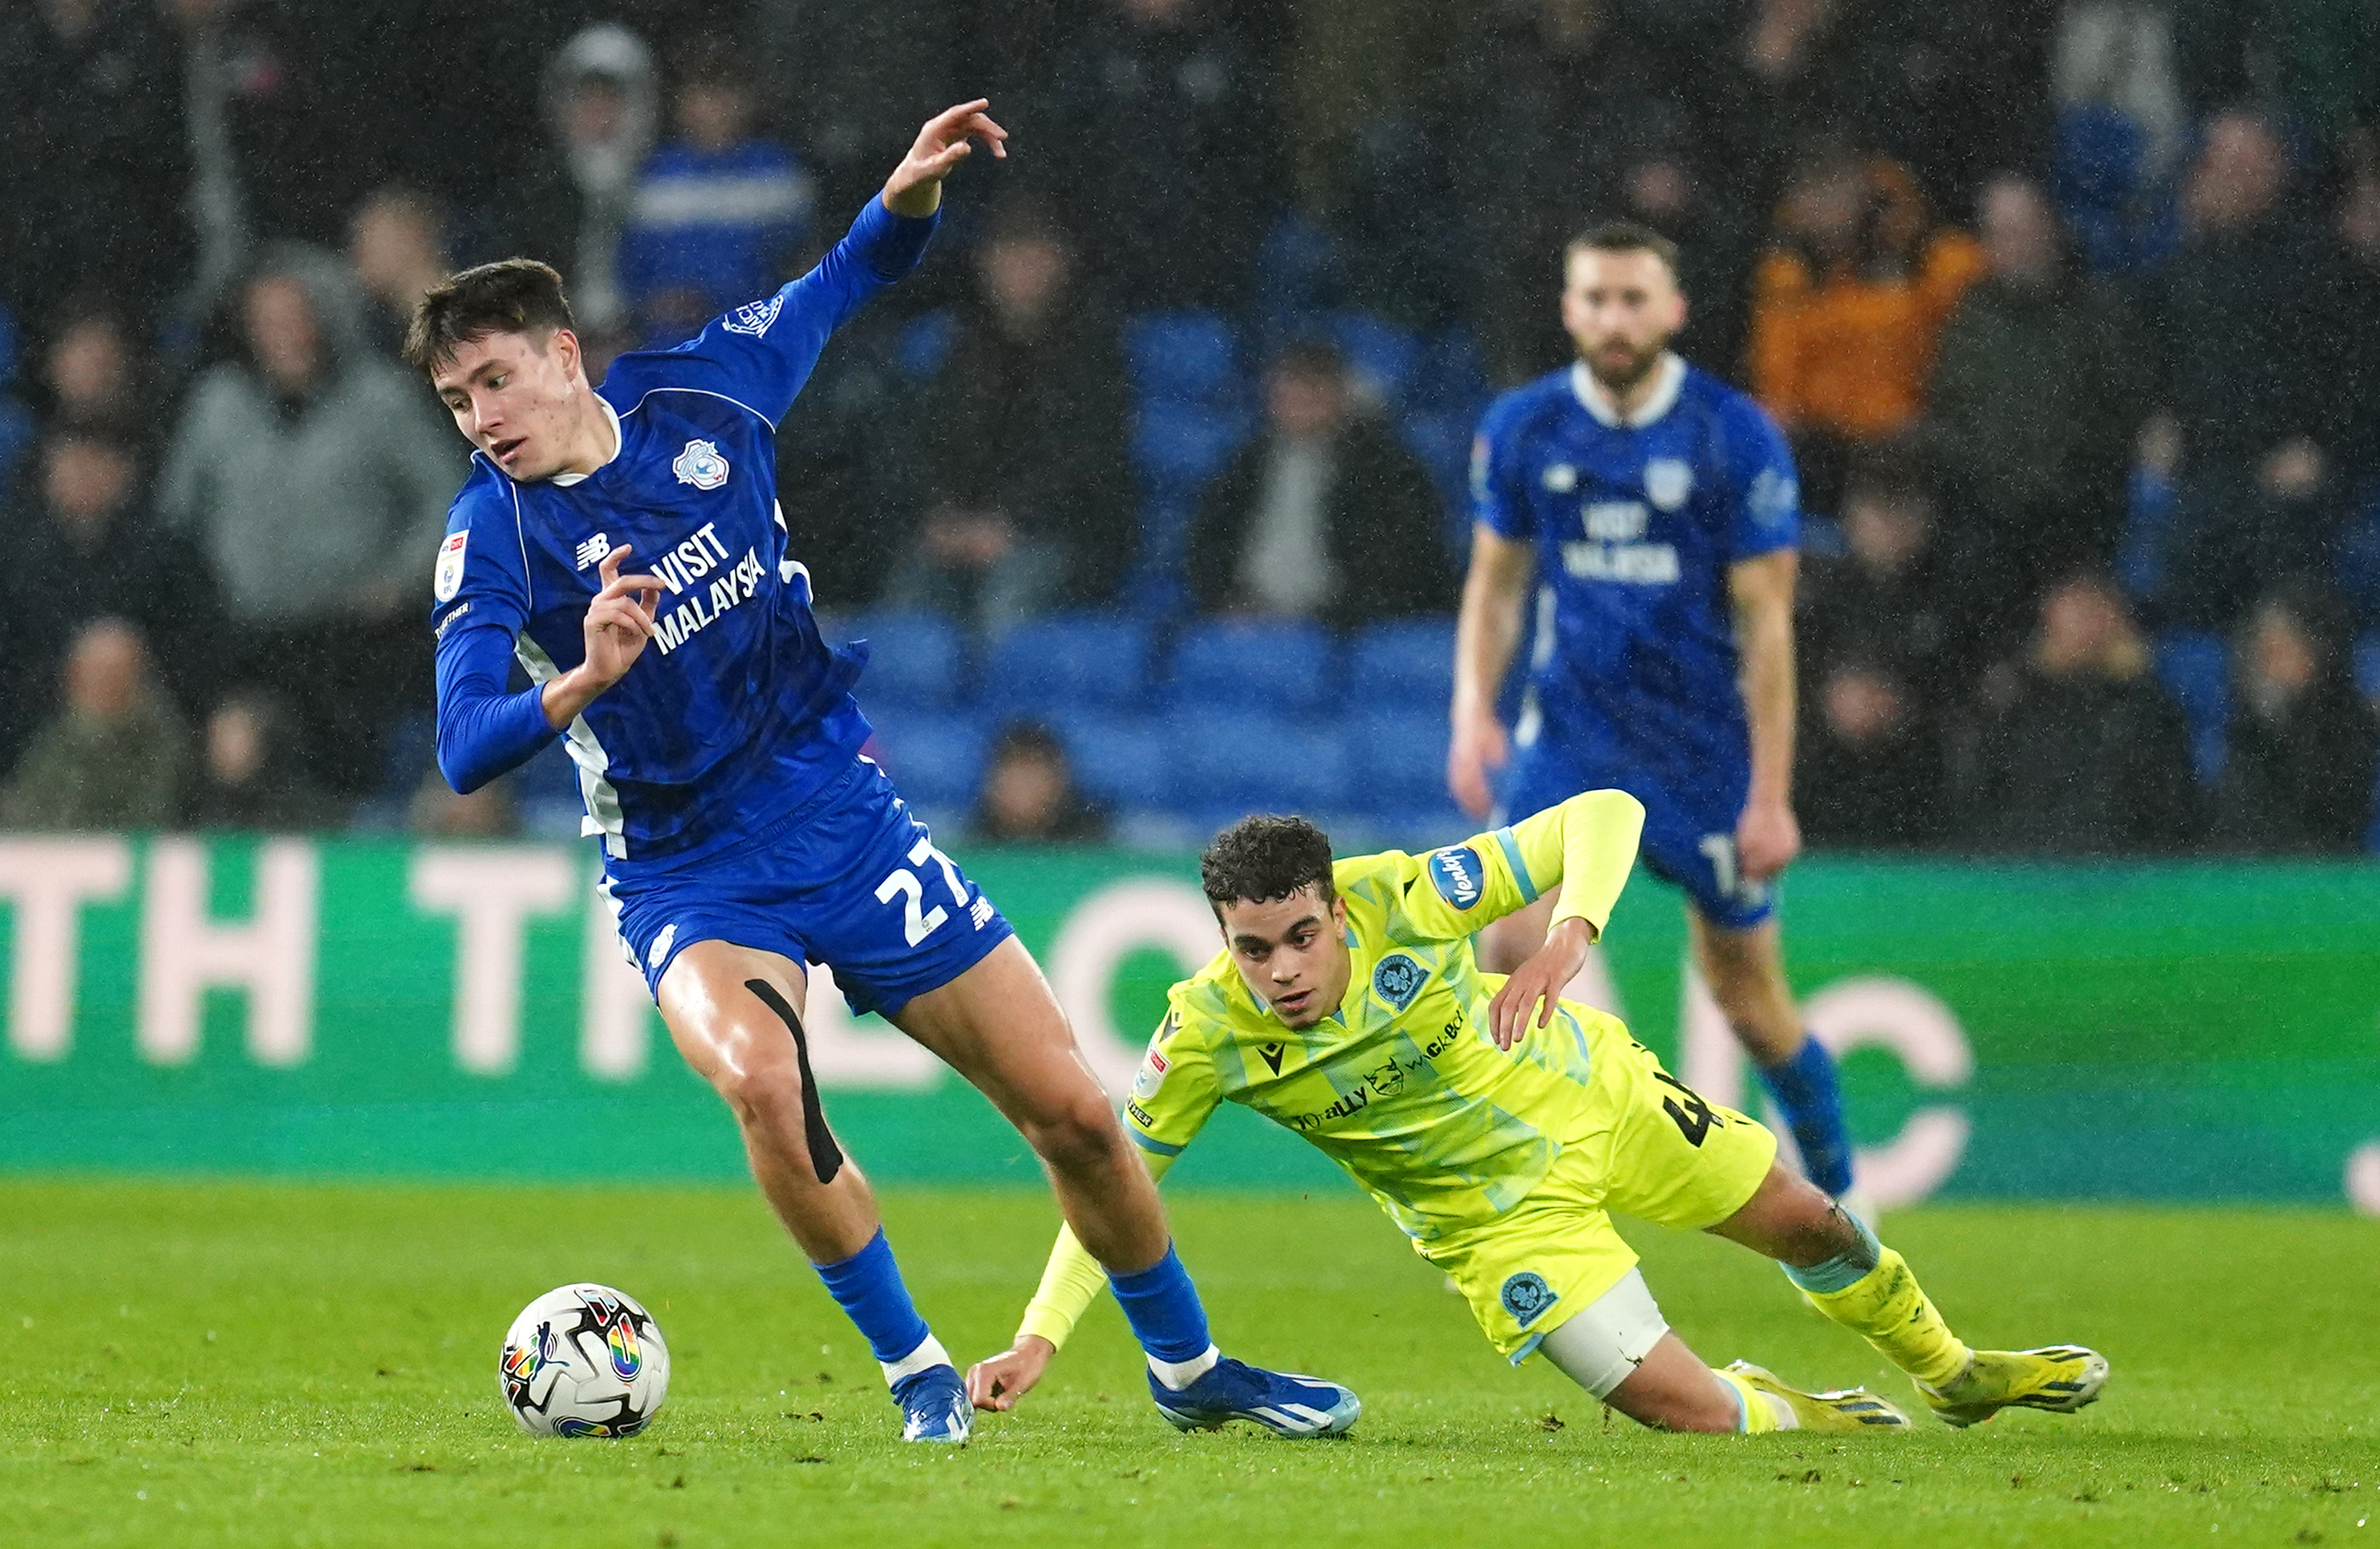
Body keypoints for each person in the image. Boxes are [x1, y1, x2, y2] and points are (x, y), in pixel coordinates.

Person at [411, 101, 1356, 1446]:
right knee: (762, 1082)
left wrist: (905, 191)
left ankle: (1190, 1368)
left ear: (565, 354)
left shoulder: (704, 392)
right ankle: (916, 1369)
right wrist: (576, 682)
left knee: (1077, 1117)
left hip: (842, 820)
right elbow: (463, 746)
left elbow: (850, 275)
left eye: (496, 380)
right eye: (457, 400)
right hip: (688, 870)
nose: (481, 417)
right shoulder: (491, 535)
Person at [965, 801, 2109, 1434]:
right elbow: (1109, 1190)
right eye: (1253, 948)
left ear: (1337, 911)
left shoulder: (1402, 894)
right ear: (1224, 937)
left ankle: (1951, 1371)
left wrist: (1568, 936)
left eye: (1302, 936)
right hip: (1493, 1221)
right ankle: (1803, 1411)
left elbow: (1604, 814)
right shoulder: (1205, 1030)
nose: (1284, 969)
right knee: (1686, 1414)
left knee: (1814, 1223)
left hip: (1589, 1092)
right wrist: (1039, 1333)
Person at [1449, 221, 1858, 1200]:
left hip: (1699, 754)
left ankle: (1844, 1198)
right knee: (1506, 946)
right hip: (1570, 737)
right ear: (1569, 310)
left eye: (1633, 299)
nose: (1614, 319)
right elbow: (1497, 583)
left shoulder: (1731, 435)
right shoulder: (1524, 427)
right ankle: (1528, 1188)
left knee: (1750, 1004)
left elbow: (1767, 623)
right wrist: (1472, 709)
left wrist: (1771, 795)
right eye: (1596, 298)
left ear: (1673, 310)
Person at [157, 245, 460, 793]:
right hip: (243, 639)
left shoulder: (380, 399)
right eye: (268, 321)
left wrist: (400, 579)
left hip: (355, 641)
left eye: (297, 317)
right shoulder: (218, 403)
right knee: (231, 748)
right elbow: (177, 516)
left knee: (343, 767)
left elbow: (449, 497)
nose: (285, 335)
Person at [888, 201, 1135, 630]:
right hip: (966, 530)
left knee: (1004, 606)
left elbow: (1086, 462)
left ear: (1061, 262)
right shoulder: (963, 348)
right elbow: (929, 444)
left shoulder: (1095, 355)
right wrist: (942, 514)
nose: (1018, 270)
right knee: (906, 603)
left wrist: (1011, 522)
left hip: (1062, 534)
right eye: (1007, 254)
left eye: (1032, 255)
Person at [1184, 339, 1453, 628]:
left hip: (1345, 626)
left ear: (1341, 394)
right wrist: (1228, 599)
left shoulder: (1387, 467)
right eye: (1289, 391)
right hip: (1250, 620)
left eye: (1312, 391)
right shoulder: (1247, 463)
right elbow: (1208, 543)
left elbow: (1402, 565)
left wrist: (1335, 616)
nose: (1299, 403)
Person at [1960, 573, 2199, 854]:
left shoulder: (2149, 705)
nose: (2086, 625)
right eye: (2077, 612)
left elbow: (2171, 805)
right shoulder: (2017, 702)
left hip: (2126, 864)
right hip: (2027, 863)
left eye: (2094, 610)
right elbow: (1988, 796)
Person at [619, 38, 814, 347]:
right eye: (705, 95)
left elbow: (800, 265)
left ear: (750, 102)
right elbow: (630, 269)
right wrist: (656, 302)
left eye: (728, 94)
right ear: (682, 105)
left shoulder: (776, 172)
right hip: (669, 346)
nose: (717, 109)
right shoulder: (654, 176)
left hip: (754, 343)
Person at [2209, 586, 2378, 854]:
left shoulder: (2345, 724)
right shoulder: (2249, 726)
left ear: (2314, 654)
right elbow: (2237, 818)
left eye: (2278, 651)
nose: (2264, 666)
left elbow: (2330, 817)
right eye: (2260, 652)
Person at [2, 619, 185, 832]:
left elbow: (148, 815)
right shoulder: (59, 739)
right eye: (91, 672)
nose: (102, 682)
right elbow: (27, 807)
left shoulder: (157, 743)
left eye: (114, 673)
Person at [969, 722, 1112, 845]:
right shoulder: (971, 843)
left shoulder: (1094, 841)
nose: (1023, 789)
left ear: (1059, 781)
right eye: (1016, 777)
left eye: (1031, 777)